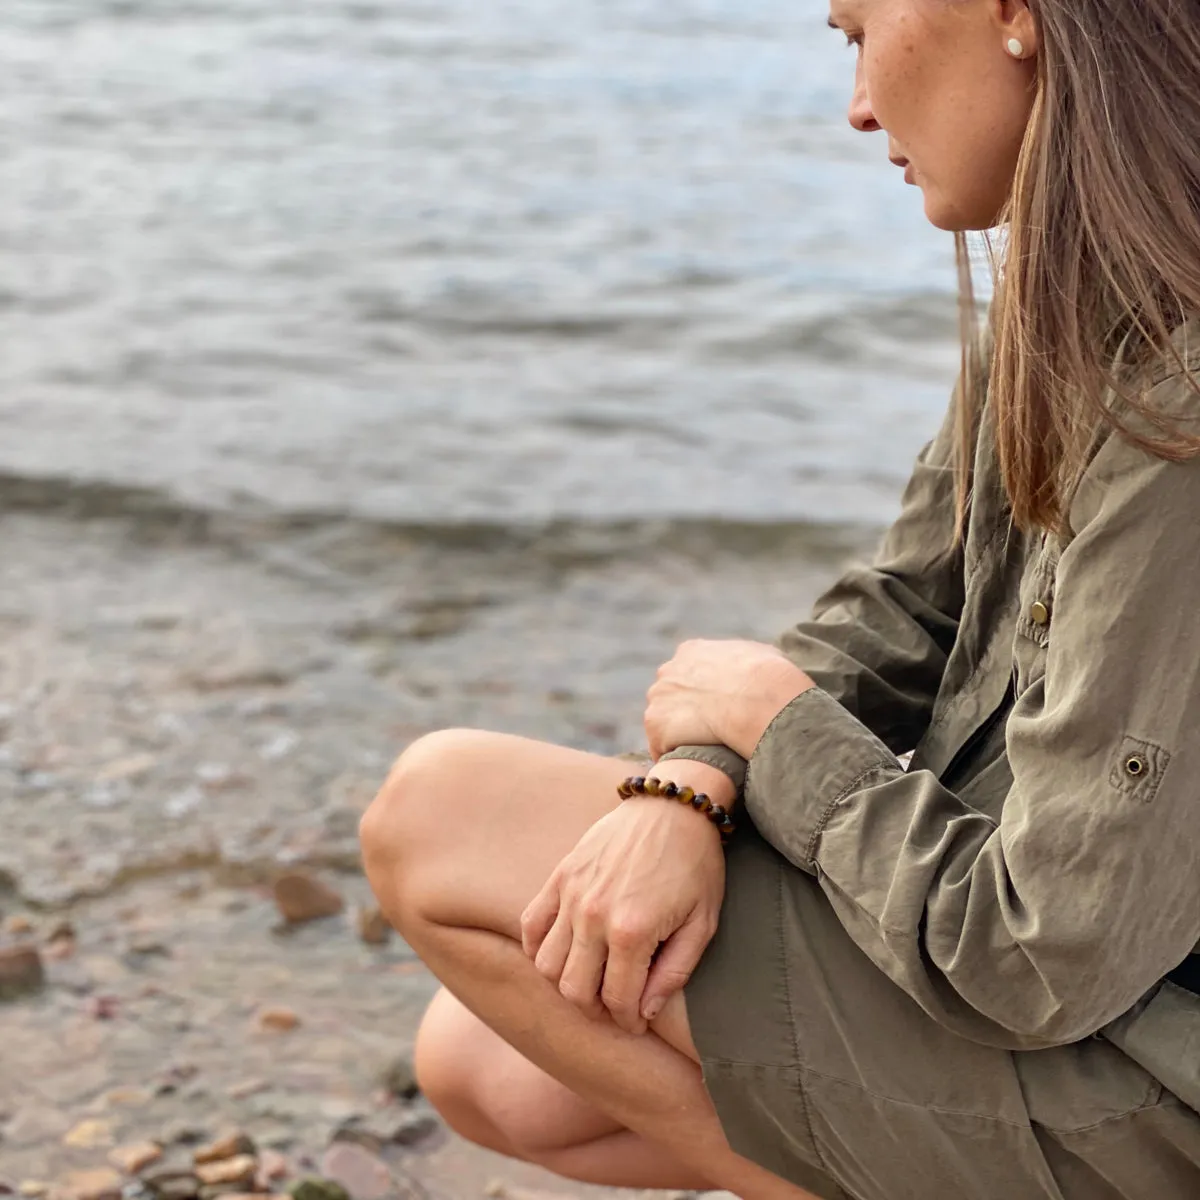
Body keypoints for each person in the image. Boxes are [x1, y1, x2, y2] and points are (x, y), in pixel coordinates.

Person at [359, 1, 1200, 1196]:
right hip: (1054, 987)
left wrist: (777, 725)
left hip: (1146, 1062)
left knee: (438, 811)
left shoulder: (1184, 397)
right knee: (494, 1059)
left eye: (861, 30)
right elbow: (908, 609)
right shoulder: (1080, 291)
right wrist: (692, 785)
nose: (857, 102)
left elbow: (1034, 953)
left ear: (1016, 14)